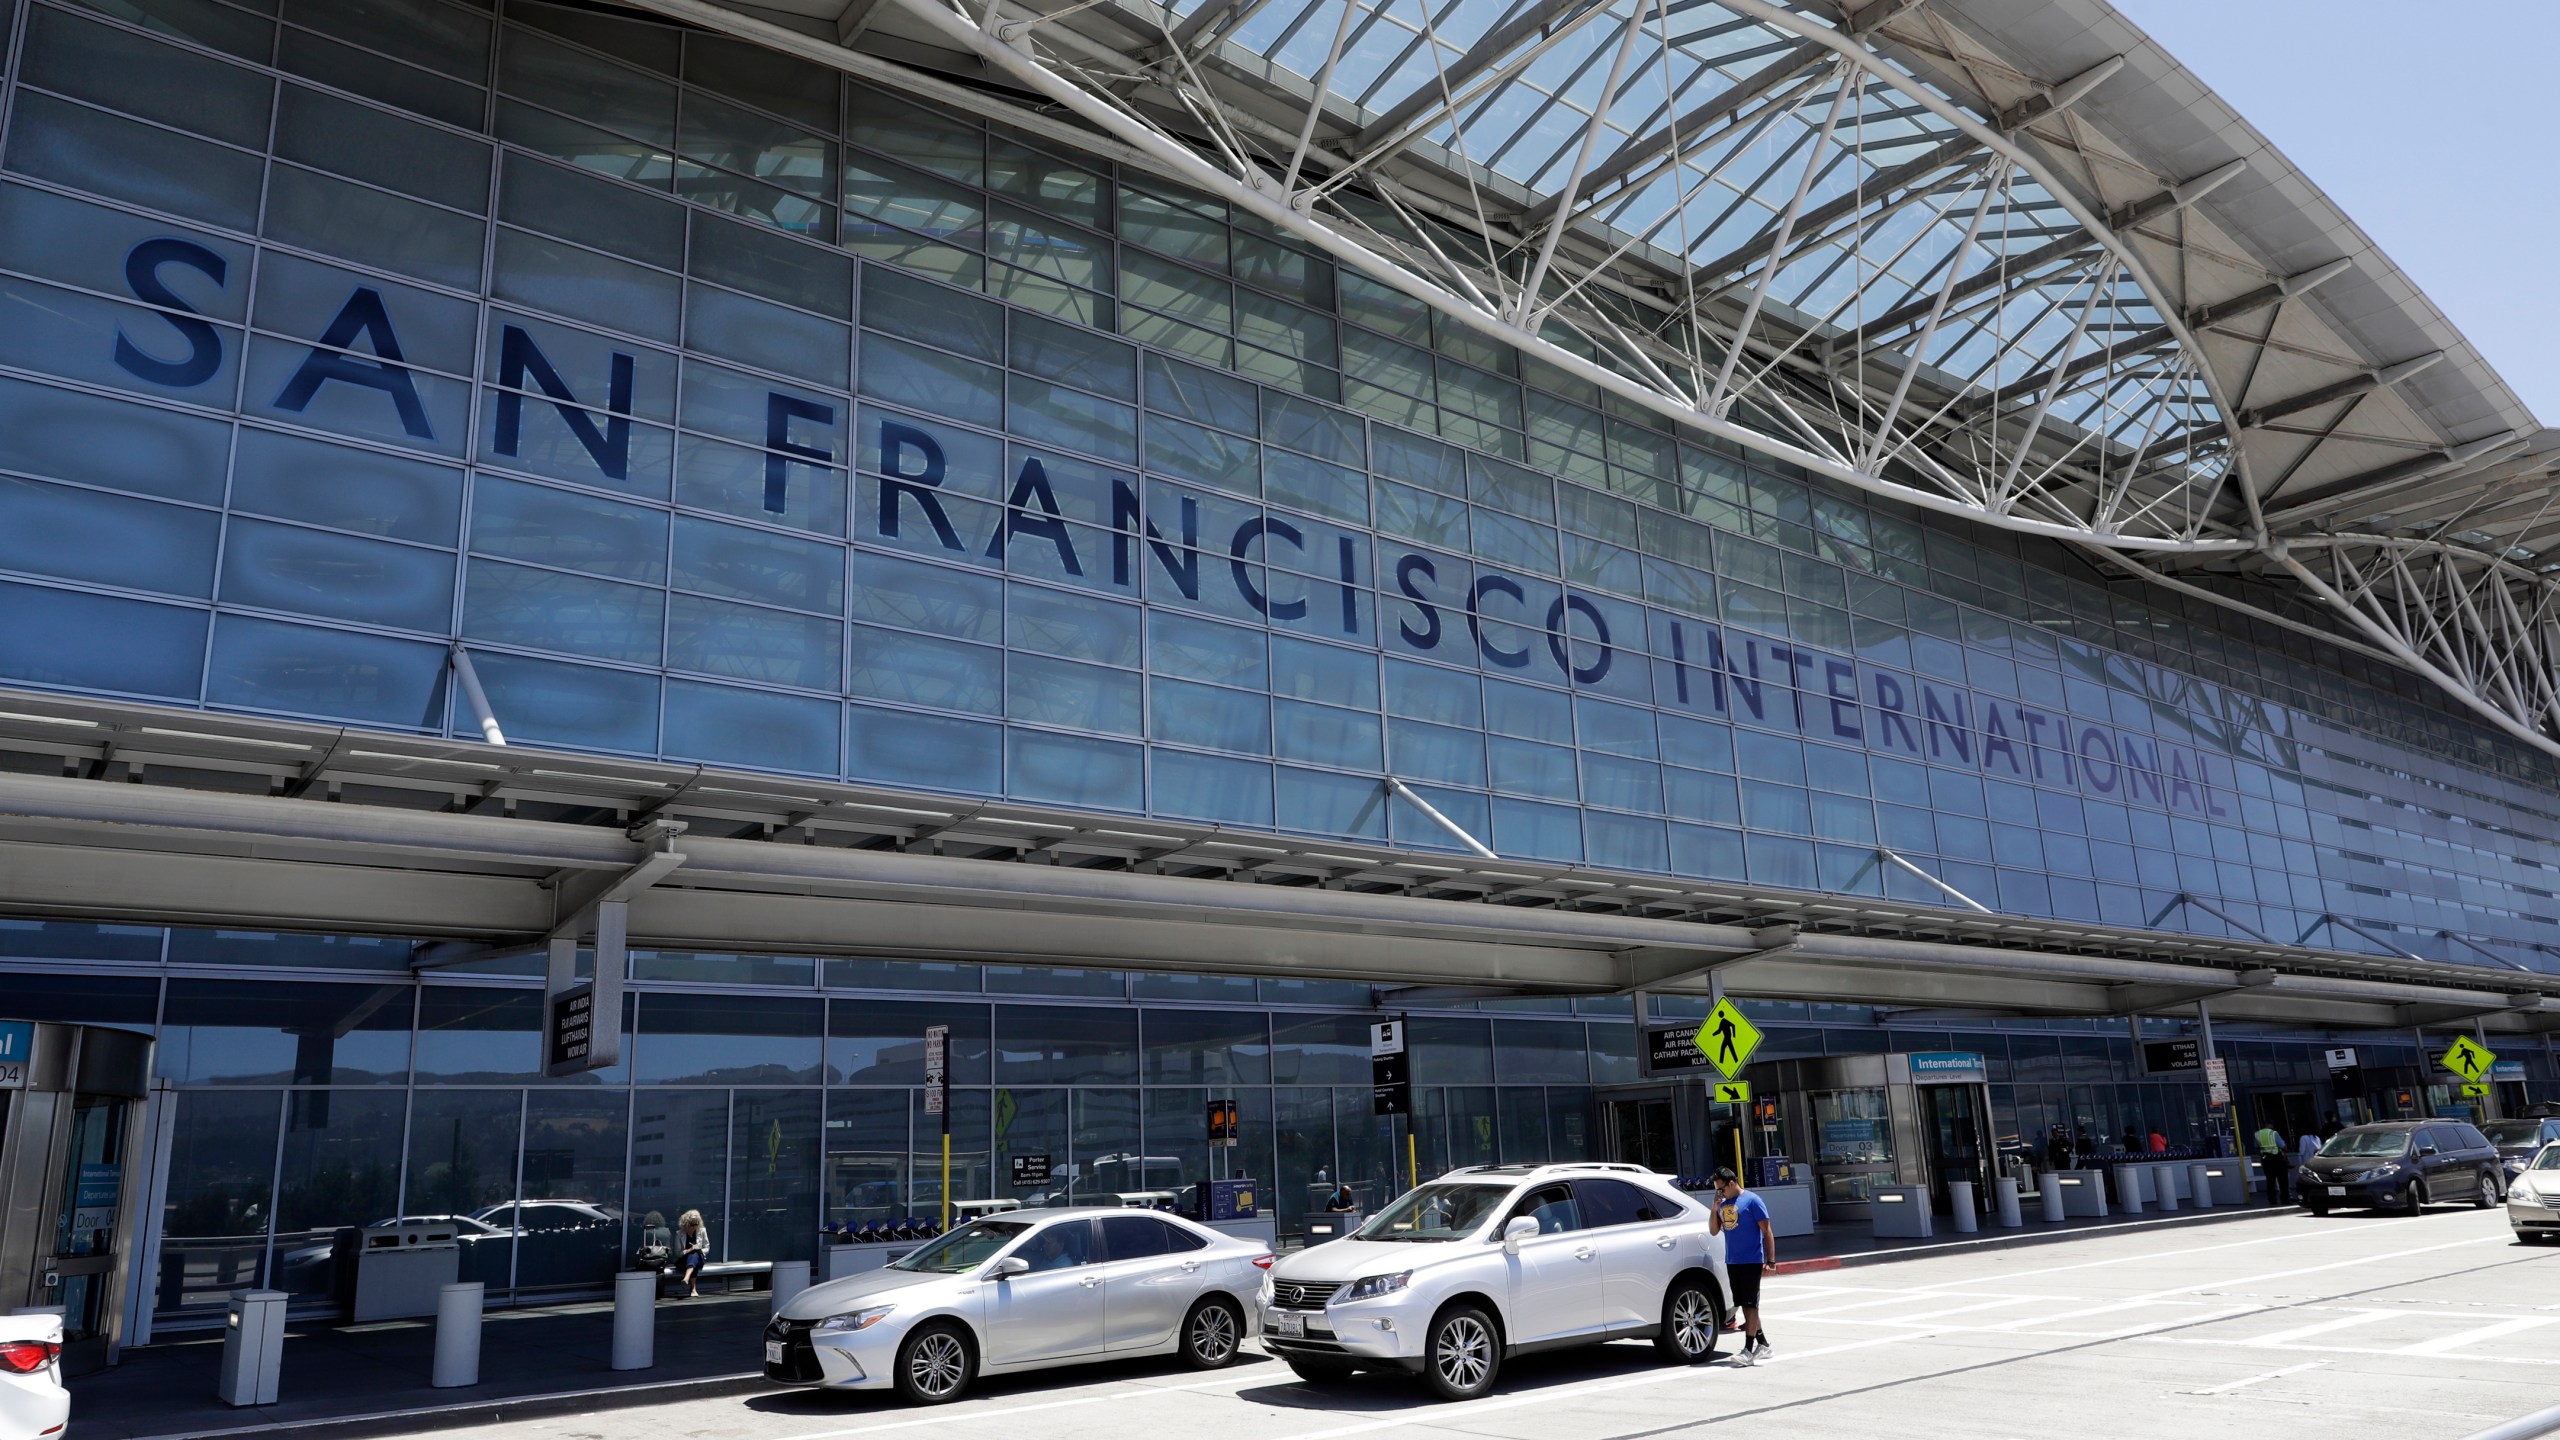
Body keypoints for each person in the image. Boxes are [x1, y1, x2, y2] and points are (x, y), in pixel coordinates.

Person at [1709, 1167, 1774, 1365]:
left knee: (1750, 1304)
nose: (1720, 1193)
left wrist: (1771, 1260)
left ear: (1731, 1183)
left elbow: (1767, 1231)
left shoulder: (1752, 1201)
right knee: (1745, 1304)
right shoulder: (1722, 1204)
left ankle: (1748, 1349)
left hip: (1751, 1260)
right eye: (1717, 1190)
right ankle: (1763, 1344)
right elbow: (1713, 1231)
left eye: (1722, 1189)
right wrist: (1714, 1208)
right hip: (1733, 1260)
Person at [2252, 1123, 2291, 1205]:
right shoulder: (2273, 1133)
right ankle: (2285, 1199)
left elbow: (2256, 1146)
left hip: (2265, 1159)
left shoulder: (2257, 1134)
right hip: (2277, 1158)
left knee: (2270, 1180)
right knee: (2282, 1180)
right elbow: (2283, 1146)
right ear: (2271, 1125)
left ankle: (2272, 1200)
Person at [676, 1208, 711, 1297]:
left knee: (695, 1255)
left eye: (696, 1224)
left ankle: (686, 1278)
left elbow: (707, 1247)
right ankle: (693, 1289)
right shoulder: (679, 1233)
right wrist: (690, 1249)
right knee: (692, 1255)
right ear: (686, 1224)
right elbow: (677, 1252)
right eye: (692, 1224)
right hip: (684, 1260)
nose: (694, 1226)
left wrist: (699, 1250)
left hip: (699, 1258)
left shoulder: (702, 1231)